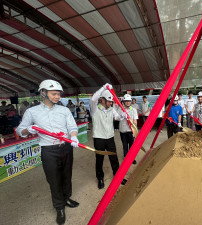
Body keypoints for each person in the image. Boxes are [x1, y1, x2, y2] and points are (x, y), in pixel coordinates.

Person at [16, 80, 80, 225]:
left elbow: (72, 126)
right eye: (54, 94)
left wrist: (74, 136)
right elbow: (20, 130)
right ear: (43, 93)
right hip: (49, 151)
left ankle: (66, 198)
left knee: (66, 175)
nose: (57, 97)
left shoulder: (63, 110)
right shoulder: (32, 112)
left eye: (58, 94)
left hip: (66, 147)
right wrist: (29, 129)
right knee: (54, 179)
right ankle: (59, 207)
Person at [90, 83, 127, 189]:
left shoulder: (112, 109)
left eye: (112, 101)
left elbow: (117, 117)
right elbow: (93, 99)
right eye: (109, 101)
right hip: (99, 138)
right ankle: (100, 178)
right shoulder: (95, 109)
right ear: (103, 100)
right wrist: (103, 88)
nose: (111, 103)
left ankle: (118, 177)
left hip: (110, 137)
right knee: (99, 159)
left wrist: (122, 116)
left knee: (114, 158)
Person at [118, 94, 138, 164]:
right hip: (122, 131)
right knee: (124, 145)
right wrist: (121, 115)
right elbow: (116, 118)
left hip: (130, 131)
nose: (128, 102)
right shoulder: (120, 109)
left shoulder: (133, 110)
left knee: (132, 146)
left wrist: (134, 131)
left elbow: (135, 121)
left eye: (129, 101)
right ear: (123, 101)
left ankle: (132, 158)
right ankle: (126, 158)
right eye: (126, 101)